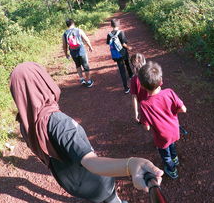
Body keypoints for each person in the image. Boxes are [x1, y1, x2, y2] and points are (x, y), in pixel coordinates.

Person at [10, 62, 163, 203]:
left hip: (71, 183)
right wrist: (131, 164)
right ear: (41, 82)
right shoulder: (58, 122)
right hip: (96, 182)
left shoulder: (25, 124)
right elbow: (89, 161)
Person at [138, 61, 187, 179]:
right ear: (161, 81)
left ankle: (172, 170)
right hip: (174, 130)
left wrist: (143, 122)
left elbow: (147, 127)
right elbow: (183, 109)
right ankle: (175, 159)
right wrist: (172, 113)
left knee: (165, 155)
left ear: (143, 86)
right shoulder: (169, 92)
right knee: (172, 145)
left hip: (161, 136)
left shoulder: (144, 104)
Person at [63, 18, 94, 87]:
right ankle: (88, 81)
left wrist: (66, 54)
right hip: (81, 49)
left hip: (72, 51)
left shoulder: (65, 33)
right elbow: (86, 39)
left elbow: (64, 45)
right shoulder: (78, 30)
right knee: (85, 65)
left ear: (67, 25)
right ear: (73, 23)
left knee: (77, 65)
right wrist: (90, 46)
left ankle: (81, 79)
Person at [106, 18, 133, 94]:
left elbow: (108, 43)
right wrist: (129, 47)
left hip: (116, 55)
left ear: (111, 25)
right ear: (119, 24)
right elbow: (124, 44)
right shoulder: (121, 32)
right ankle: (131, 75)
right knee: (127, 63)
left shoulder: (109, 34)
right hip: (123, 52)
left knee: (122, 70)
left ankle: (126, 88)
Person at [129, 53, 148, 123]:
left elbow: (134, 97)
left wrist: (136, 112)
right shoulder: (151, 75)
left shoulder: (134, 80)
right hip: (154, 101)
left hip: (143, 104)